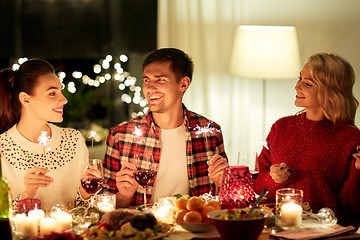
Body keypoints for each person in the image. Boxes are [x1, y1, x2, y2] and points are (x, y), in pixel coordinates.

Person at [103, 48, 228, 207]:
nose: (149, 88)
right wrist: (123, 196)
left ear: (183, 84)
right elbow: (104, 210)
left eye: (160, 80)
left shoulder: (210, 133)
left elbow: (223, 206)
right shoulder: (120, 135)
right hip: (143, 230)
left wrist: (221, 185)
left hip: (193, 228)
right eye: (147, 80)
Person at [255, 53, 360, 227]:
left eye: (307, 83)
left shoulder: (351, 138)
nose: (297, 86)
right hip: (281, 229)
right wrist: (274, 180)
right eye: (300, 79)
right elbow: (258, 186)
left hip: (329, 234)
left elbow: (352, 207)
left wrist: (358, 172)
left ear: (331, 92)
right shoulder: (281, 128)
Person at [0, 59, 94, 210]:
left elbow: (84, 211)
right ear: (25, 99)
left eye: (60, 91)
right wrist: (27, 195)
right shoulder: (2, 148)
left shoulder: (73, 139)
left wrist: (85, 194)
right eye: (52, 93)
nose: (64, 100)